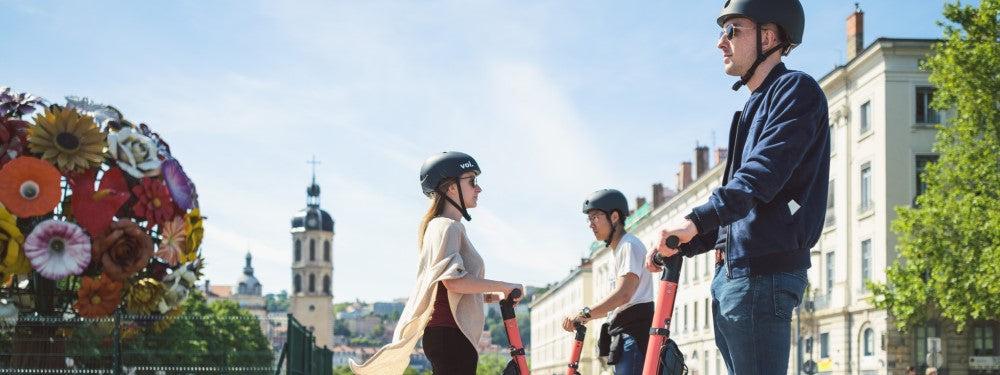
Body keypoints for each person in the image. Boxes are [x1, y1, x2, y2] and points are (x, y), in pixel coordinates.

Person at [645, 0, 830, 373]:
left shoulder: (795, 90)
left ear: (768, 36)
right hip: (736, 276)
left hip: (762, 276)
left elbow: (762, 176)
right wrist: (688, 242)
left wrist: (695, 219)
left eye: (732, 30)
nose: (720, 42)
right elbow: (740, 209)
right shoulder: (752, 108)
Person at [351, 151, 523, 375]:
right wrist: (504, 285)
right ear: (451, 187)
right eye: (472, 181)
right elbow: (453, 282)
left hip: (448, 336)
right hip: (452, 336)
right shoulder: (446, 226)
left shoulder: (443, 226)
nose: (479, 188)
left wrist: (491, 296)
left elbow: (447, 289)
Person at [563, 189, 654, 375]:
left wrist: (584, 313)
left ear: (614, 217)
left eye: (595, 217)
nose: (590, 224)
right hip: (623, 335)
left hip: (634, 335)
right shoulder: (619, 250)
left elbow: (624, 294)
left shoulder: (629, 245)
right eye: (589, 219)